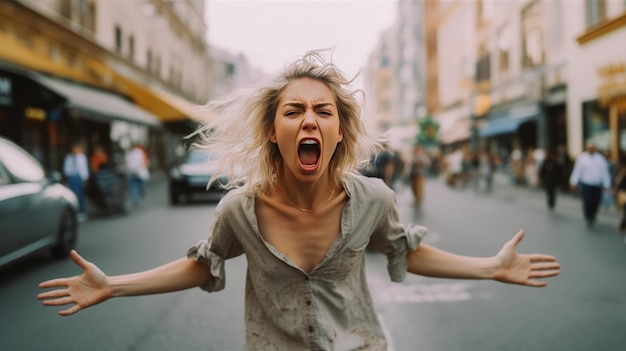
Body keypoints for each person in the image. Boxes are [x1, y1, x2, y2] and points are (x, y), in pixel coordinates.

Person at [38, 51, 560, 351]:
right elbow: (203, 267)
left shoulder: (375, 199)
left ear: (338, 133)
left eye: (323, 111)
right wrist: (113, 286)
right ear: (272, 132)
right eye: (294, 111)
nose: (309, 119)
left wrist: (490, 267)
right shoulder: (239, 211)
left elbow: (407, 252)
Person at [569, 141, 611, 229]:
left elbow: (604, 172)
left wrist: (607, 184)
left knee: (596, 201)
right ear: (587, 148)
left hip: (597, 184)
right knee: (587, 201)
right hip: (586, 184)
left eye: (592, 147)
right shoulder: (582, 157)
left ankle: (593, 214)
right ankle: (588, 217)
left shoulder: (600, 158)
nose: (591, 149)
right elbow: (577, 170)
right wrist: (573, 181)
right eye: (589, 147)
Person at [63, 141, 89, 222]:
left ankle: (81, 212)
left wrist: (85, 179)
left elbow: (84, 169)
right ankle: (74, 212)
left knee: (80, 195)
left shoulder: (82, 157)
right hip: (72, 177)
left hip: (79, 177)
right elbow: (66, 169)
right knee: (72, 195)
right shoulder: (69, 158)